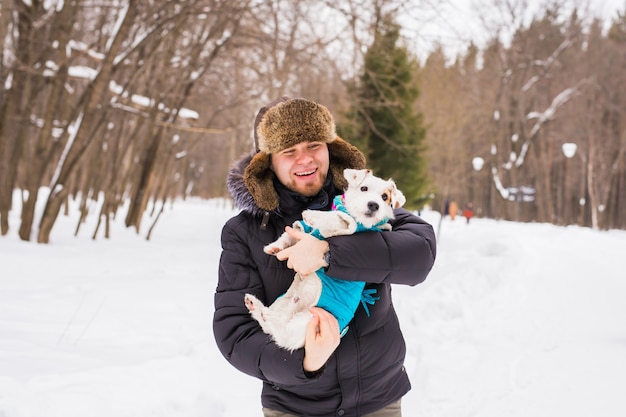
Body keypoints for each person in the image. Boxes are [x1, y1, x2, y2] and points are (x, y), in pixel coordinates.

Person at [213, 97, 437, 417]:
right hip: (294, 406)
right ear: (267, 161)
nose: (304, 159)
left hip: (378, 398)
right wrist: (304, 363)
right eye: (289, 150)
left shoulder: (360, 200)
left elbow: (420, 253)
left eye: (314, 145)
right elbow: (233, 334)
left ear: (330, 146)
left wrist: (329, 253)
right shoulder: (244, 233)